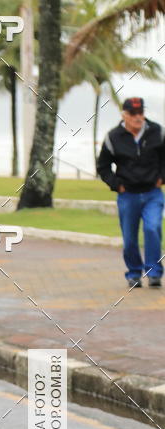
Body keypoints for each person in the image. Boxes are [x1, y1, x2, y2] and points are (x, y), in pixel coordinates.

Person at [97, 96, 165, 288]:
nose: (138, 117)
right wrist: (116, 184)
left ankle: (154, 273)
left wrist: (162, 177)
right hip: (127, 195)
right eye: (133, 114)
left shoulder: (157, 132)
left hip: (153, 193)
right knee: (129, 238)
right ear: (124, 115)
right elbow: (102, 166)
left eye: (141, 113)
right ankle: (134, 273)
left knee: (153, 228)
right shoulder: (113, 137)